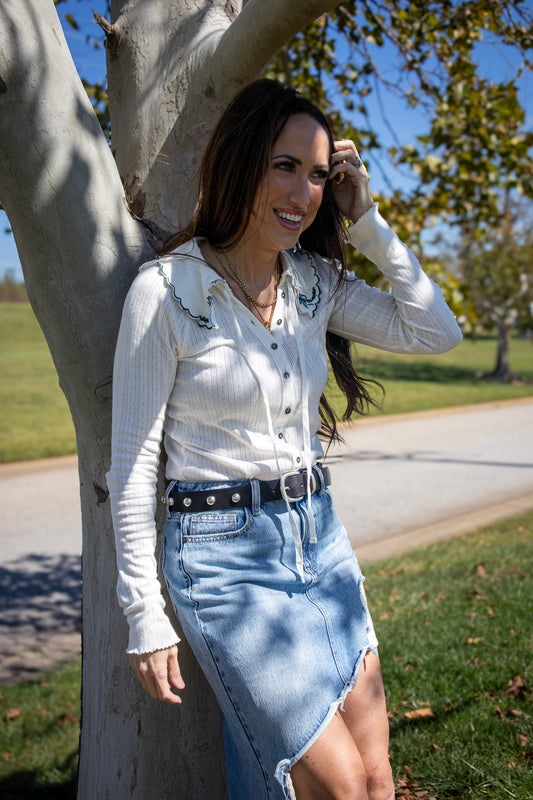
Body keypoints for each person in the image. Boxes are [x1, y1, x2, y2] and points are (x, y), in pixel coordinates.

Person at [107, 79, 462, 800]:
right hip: (224, 563)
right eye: (285, 166)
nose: (303, 195)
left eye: (319, 175)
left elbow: (435, 331)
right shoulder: (166, 291)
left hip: (320, 542)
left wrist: (366, 222)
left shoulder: (314, 284)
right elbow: (134, 462)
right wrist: (144, 610)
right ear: (240, 161)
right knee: (340, 785)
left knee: (376, 779)